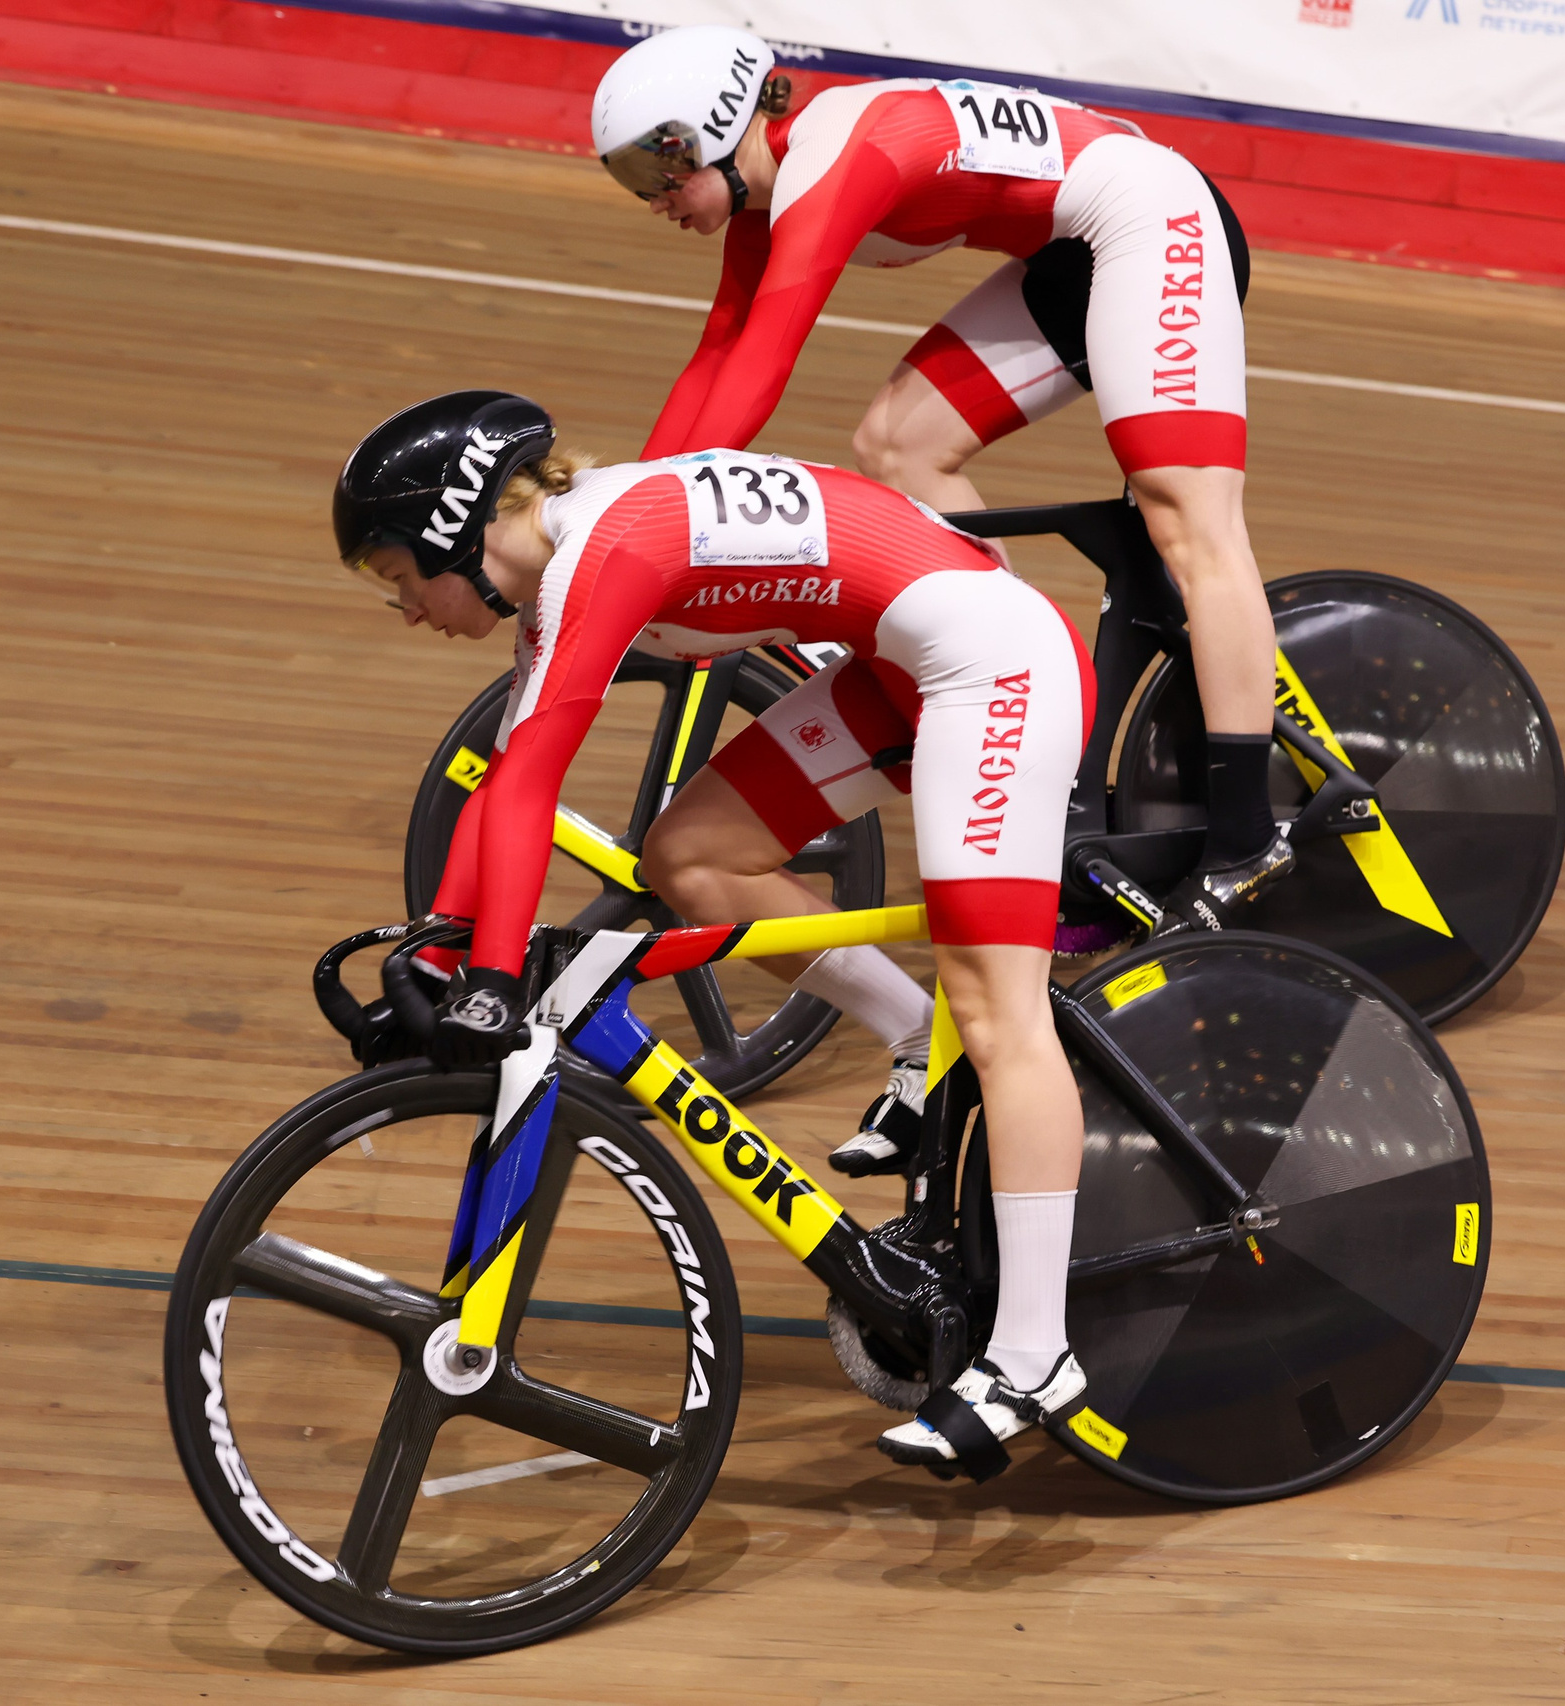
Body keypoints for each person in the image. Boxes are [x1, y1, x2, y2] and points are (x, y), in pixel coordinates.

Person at [336, 388, 1094, 1474]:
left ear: (450, 527)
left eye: (391, 572)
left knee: (1000, 1008)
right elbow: (513, 780)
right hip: (903, 663)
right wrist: (443, 946)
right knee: (688, 860)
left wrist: (489, 976)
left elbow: (534, 775)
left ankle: (1033, 1354)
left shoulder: (604, 547)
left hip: (991, 664)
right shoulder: (569, 559)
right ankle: (910, 1034)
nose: (400, 604)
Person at [591, 28, 1290, 956]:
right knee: (898, 442)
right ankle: (1019, 695)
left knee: (1187, 516)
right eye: (630, 178)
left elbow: (761, 370)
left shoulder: (834, 164)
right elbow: (712, 359)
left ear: (717, 128)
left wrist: (648, 533)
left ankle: (1249, 837)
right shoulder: (770, 191)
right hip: (1073, 257)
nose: (652, 199)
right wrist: (620, 517)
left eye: (658, 167)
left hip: (1154, 219)